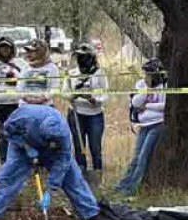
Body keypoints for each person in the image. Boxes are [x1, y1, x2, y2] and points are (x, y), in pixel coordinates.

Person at [0, 104, 111, 220]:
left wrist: (50, 189)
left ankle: (90, 212)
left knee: (73, 177)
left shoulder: (63, 135)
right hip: (24, 146)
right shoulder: (25, 115)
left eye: (55, 141)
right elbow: (7, 131)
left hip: (53, 153)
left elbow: (62, 163)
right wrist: (25, 146)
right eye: (50, 140)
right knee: (9, 175)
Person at [115, 58, 167, 196]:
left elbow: (164, 107)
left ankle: (131, 190)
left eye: (149, 74)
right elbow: (136, 103)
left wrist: (147, 106)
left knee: (143, 156)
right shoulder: (141, 84)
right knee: (136, 157)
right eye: (146, 74)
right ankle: (122, 186)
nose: (147, 76)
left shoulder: (164, 87)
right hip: (143, 125)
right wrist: (146, 90)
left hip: (157, 124)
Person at [65, 42, 108, 187]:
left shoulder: (99, 73)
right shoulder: (72, 73)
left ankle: (97, 178)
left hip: (94, 115)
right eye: (80, 56)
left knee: (95, 147)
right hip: (76, 114)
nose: (82, 59)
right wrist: (73, 95)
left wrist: (94, 99)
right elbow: (65, 92)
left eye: (85, 56)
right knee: (79, 146)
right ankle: (81, 178)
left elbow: (105, 94)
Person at [0, 36, 28, 164]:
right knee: (3, 135)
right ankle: (5, 163)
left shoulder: (21, 64)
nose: (5, 50)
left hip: (16, 104)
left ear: (12, 49)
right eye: (2, 47)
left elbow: (27, 81)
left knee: (18, 135)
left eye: (7, 47)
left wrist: (16, 81)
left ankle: (18, 162)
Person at [19, 39, 60, 106]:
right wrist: (26, 98)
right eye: (28, 51)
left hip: (45, 107)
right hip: (25, 106)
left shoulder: (52, 68)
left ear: (41, 52)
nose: (29, 53)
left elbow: (55, 87)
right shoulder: (25, 67)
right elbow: (20, 86)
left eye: (32, 51)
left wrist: (42, 98)